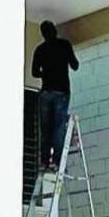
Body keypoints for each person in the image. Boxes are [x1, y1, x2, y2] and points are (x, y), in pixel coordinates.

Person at [31, 20, 79, 171]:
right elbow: (75, 65)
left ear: (43, 35)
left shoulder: (40, 49)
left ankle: (44, 161)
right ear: (55, 31)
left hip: (46, 92)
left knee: (46, 129)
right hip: (61, 91)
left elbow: (34, 72)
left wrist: (46, 73)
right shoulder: (64, 45)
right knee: (58, 127)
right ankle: (57, 162)